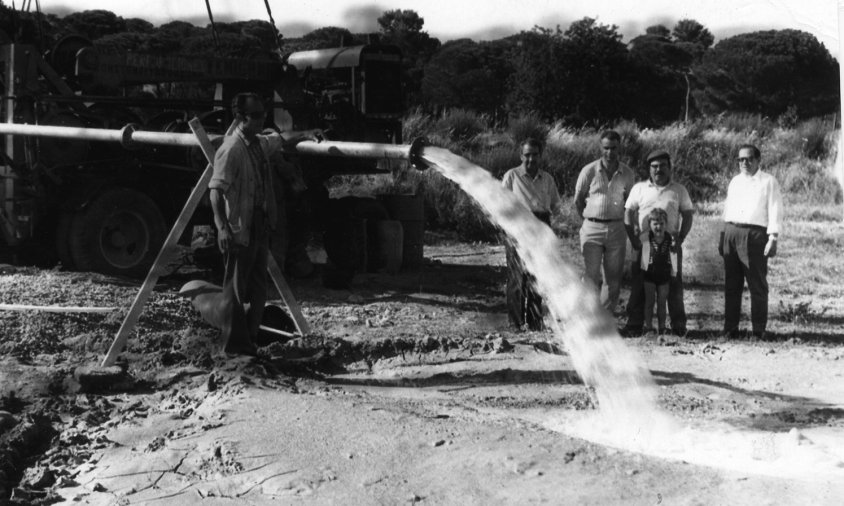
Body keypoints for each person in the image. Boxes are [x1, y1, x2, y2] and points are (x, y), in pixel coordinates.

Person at [209, 92, 323, 355]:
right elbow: (215, 190)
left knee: (259, 283)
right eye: (256, 116)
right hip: (239, 227)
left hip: (258, 224)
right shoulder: (231, 150)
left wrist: (307, 133)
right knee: (236, 288)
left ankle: (249, 338)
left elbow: (281, 140)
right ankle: (232, 347)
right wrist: (222, 227)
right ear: (240, 118)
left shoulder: (258, 144)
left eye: (264, 115)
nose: (262, 120)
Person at [623, 149, 694, 336]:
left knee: (674, 284)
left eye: (663, 166)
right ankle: (634, 325)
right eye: (654, 166)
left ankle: (678, 326)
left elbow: (688, 215)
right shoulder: (639, 188)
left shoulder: (679, 190)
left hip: (670, 247)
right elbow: (628, 213)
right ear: (649, 169)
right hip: (644, 245)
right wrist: (633, 239)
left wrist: (680, 239)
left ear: (670, 168)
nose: (658, 170)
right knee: (639, 283)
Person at [719, 144, 782, 338]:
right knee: (732, 284)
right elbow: (727, 208)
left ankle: (758, 331)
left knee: (757, 284)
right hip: (731, 232)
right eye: (740, 160)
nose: (744, 163)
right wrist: (723, 235)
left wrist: (773, 237)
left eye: (748, 159)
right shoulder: (735, 181)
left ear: (757, 160)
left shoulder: (768, 182)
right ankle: (730, 330)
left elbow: (775, 209)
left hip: (754, 235)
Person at [501, 138, 562, 330]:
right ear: (521, 156)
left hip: (542, 225)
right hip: (518, 226)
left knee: (538, 275)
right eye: (527, 155)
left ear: (540, 156)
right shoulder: (511, 176)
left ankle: (536, 322)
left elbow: (555, 206)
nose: (531, 159)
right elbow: (500, 204)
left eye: (535, 154)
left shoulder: (548, 179)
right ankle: (516, 323)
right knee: (517, 277)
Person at [574, 130, 636, 313]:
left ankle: (605, 319)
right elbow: (578, 200)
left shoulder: (627, 173)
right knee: (590, 276)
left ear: (619, 148)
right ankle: (588, 317)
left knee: (613, 278)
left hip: (617, 229)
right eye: (606, 148)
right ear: (601, 148)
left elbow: (630, 203)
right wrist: (588, 221)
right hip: (591, 227)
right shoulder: (589, 171)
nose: (610, 153)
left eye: (614, 148)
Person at [640, 208, 676, 334]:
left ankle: (662, 327)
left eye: (661, 224)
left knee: (662, 302)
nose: (658, 227)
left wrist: (674, 273)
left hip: (664, 276)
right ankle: (648, 327)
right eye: (655, 224)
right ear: (650, 225)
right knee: (649, 302)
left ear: (666, 224)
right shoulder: (646, 238)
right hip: (649, 275)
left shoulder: (670, 239)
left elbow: (674, 258)